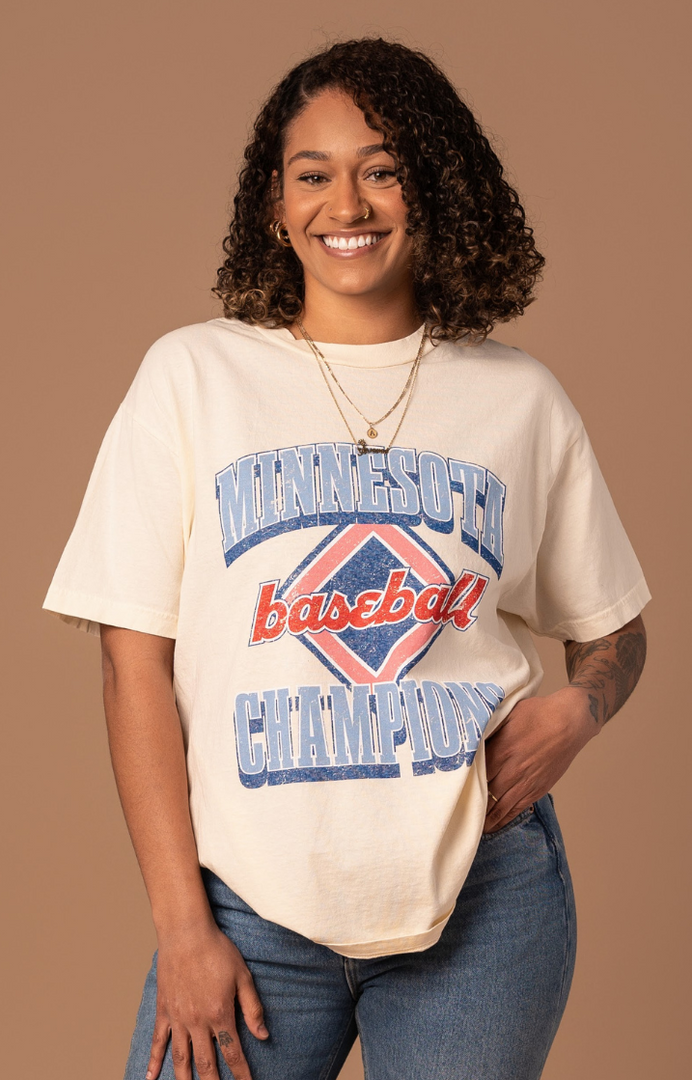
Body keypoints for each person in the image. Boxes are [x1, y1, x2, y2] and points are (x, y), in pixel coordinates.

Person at [43, 37, 650, 1080]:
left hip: (485, 899)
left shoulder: (519, 398)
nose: (347, 205)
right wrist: (184, 926)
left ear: (434, 188)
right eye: (312, 175)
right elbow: (129, 660)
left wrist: (577, 710)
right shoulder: (193, 378)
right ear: (274, 205)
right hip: (246, 905)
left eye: (381, 170)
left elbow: (617, 634)